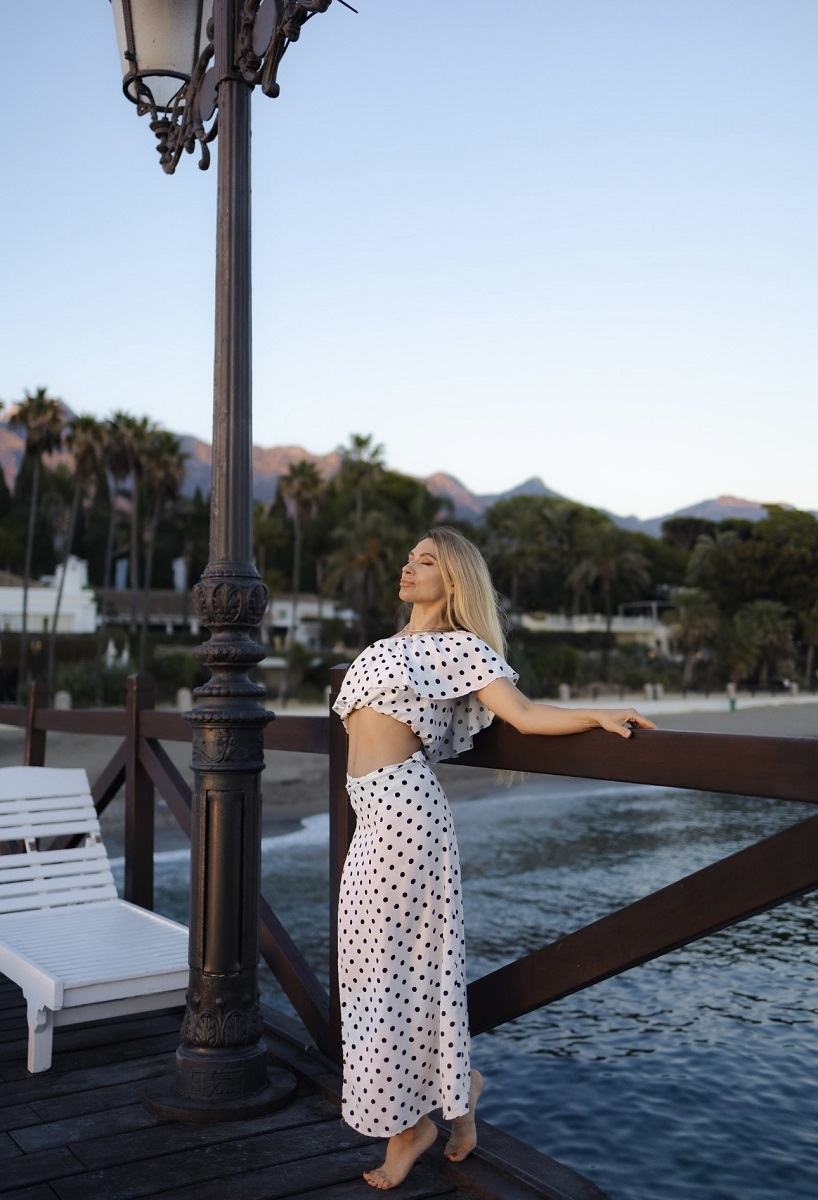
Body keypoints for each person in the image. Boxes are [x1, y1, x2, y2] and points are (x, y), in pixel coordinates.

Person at [332, 526, 655, 1190]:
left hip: (407, 820)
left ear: (453, 580)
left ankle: (413, 1127)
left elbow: (525, 714)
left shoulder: (461, 648)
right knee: (366, 970)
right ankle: (459, 1090)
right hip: (371, 818)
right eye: (409, 558)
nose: (408, 567)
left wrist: (597, 716)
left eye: (426, 561)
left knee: (397, 973)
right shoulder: (388, 646)